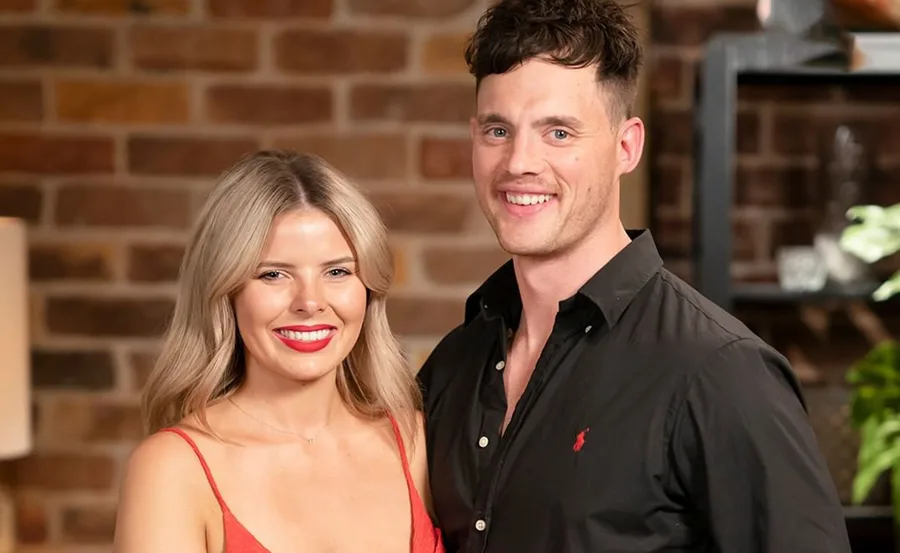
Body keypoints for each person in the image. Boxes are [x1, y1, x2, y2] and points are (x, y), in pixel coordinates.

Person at [417, 1, 852, 552]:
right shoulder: (453, 366)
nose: (519, 162)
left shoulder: (719, 372)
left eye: (558, 133)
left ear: (626, 147)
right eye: (498, 130)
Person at [114, 151, 443, 553]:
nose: (310, 302)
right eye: (273, 274)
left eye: (337, 271)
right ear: (225, 290)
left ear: (368, 288)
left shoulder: (418, 442)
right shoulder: (172, 469)